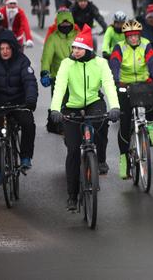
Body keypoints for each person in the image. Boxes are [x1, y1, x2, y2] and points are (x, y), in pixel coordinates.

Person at [50, 26, 120, 209]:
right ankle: (72, 196)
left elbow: (109, 85)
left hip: (93, 102)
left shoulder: (100, 64)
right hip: (72, 105)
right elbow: (59, 88)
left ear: (88, 49)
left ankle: (100, 159)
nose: (75, 51)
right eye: (73, 48)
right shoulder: (67, 64)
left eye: (79, 49)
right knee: (73, 151)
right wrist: (55, 109)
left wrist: (115, 107)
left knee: (102, 123)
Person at [0, 30, 38, 186]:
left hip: (18, 103)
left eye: (8, 48)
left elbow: (29, 82)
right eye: (1, 49)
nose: (5, 51)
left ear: (13, 48)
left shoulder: (22, 61)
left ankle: (25, 157)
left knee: (28, 124)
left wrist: (30, 100)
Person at [109, 19, 153, 180]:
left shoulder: (146, 44)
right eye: (130, 36)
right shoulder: (120, 47)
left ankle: (151, 128)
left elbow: (152, 63)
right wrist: (116, 80)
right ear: (125, 36)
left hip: (142, 82)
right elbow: (115, 64)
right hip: (125, 84)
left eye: (136, 35)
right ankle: (124, 159)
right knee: (125, 123)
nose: (133, 38)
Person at [41, 9, 79, 133]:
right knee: (58, 105)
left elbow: (90, 54)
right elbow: (46, 57)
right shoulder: (53, 39)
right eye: (62, 24)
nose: (65, 26)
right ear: (58, 24)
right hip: (58, 77)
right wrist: (45, 72)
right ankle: (58, 124)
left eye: (67, 23)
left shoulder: (79, 36)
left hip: (78, 76)